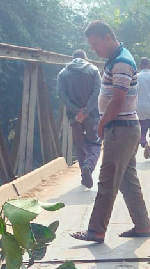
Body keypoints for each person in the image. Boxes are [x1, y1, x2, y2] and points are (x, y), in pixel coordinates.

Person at [70, 21, 150, 243]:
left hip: (120, 129)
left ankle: (96, 229)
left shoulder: (122, 62)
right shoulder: (115, 59)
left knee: (107, 180)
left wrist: (101, 123)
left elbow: (117, 101)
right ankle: (143, 226)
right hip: (124, 128)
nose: (95, 50)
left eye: (96, 44)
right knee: (127, 180)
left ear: (108, 38)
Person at [56, 49, 102, 189]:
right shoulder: (93, 70)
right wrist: (86, 110)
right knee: (95, 144)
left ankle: (84, 176)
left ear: (72, 58)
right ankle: (88, 167)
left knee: (79, 145)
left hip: (74, 117)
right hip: (92, 115)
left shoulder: (63, 73)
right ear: (85, 58)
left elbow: (61, 94)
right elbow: (97, 92)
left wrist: (77, 111)